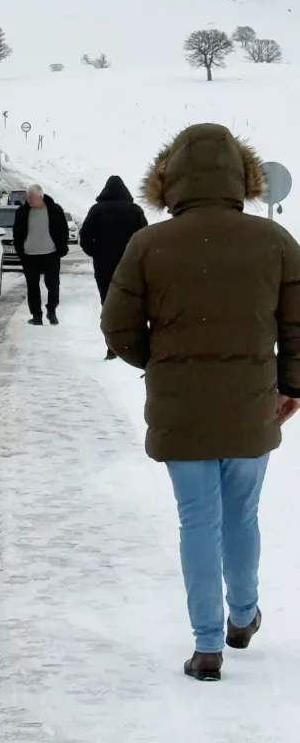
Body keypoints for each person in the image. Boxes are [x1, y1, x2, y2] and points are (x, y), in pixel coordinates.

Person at [101, 124, 300, 682]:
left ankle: (207, 645)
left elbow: (116, 326)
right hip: (251, 406)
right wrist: (292, 385)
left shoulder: (149, 244)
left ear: (171, 179)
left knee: (197, 522)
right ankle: (244, 615)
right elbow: (297, 325)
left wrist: (160, 362)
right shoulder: (275, 241)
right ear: (242, 176)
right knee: (242, 514)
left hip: (181, 409)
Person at [80, 175, 148, 359]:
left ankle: (111, 346)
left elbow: (84, 237)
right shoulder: (134, 210)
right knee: (132, 302)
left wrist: (95, 253)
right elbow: (144, 237)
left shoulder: (96, 210)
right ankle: (133, 344)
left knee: (107, 303)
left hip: (104, 265)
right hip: (130, 265)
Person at [13, 184, 69, 325]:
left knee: (53, 285)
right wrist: (20, 250)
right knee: (32, 286)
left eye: (32, 197)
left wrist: (61, 248)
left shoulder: (55, 210)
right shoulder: (22, 212)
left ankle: (52, 311)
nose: (29, 200)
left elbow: (63, 230)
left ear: (40, 197)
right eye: (28, 197)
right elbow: (17, 232)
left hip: (50, 254)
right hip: (29, 255)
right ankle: (36, 316)